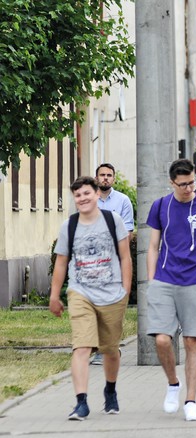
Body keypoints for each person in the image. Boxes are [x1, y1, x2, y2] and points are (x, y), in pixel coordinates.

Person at [146, 159, 196, 422]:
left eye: (192, 182)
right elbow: (153, 246)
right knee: (161, 339)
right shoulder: (160, 206)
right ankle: (172, 383)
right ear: (172, 183)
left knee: (191, 341)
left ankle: (191, 400)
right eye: (183, 184)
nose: (189, 188)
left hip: (194, 281)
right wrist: (151, 280)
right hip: (164, 279)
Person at [49, 176, 132, 420]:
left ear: (96, 194)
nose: (83, 198)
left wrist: (125, 290)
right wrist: (55, 295)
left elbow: (125, 257)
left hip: (112, 293)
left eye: (86, 193)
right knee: (82, 346)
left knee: (110, 350)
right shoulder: (69, 226)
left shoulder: (112, 220)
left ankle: (110, 389)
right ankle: (81, 402)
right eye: (78, 195)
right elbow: (61, 262)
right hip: (80, 291)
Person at [91, 163, 134, 366]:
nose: (106, 178)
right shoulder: (89, 200)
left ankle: (110, 347)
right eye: (102, 175)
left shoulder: (123, 201)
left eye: (109, 175)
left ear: (114, 179)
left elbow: (128, 233)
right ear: (96, 177)